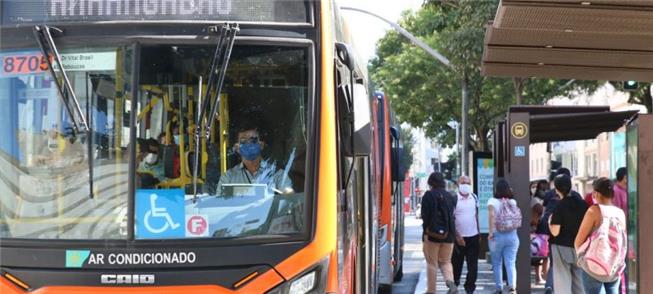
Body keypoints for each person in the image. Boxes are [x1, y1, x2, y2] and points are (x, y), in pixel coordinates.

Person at [575, 177, 627, 294]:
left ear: (596, 194)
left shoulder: (593, 211)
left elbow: (578, 241)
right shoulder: (620, 213)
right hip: (613, 266)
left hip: (593, 266)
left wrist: (581, 259)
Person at [216, 124, 293, 195]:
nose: (249, 144)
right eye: (244, 141)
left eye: (253, 140)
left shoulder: (278, 175)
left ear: (261, 145)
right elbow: (219, 205)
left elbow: (288, 196)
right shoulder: (228, 178)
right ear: (237, 148)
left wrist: (287, 193)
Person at [548, 174, 587, 294]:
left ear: (557, 189)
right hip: (580, 247)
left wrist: (550, 221)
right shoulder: (583, 204)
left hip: (561, 247)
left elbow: (555, 232)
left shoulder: (559, 205)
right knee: (579, 282)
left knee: (562, 282)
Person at [420, 172, 458, 294]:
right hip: (449, 235)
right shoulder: (450, 196)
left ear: (431, 182)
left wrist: (426, 230)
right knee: (446, 261)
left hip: (432, 235)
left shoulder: (428, 196)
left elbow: (425, 216)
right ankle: (450, 282)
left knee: (432, 263)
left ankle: (431, 291)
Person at [488, 179, 520, 294]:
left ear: (496, 189)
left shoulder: (492, 201)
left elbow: (492, 216)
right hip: (512, 236)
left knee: (497, 263)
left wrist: (491, 233)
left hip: (497, 235)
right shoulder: (512, 202)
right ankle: (512, 287)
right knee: (511, 262)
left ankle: (499, 288)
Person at [452, 175, 480, 294]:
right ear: (458, 184)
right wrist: (457, 236)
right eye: (463, 182)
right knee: (456, 265)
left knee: (473, 266)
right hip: (458, 238)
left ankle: (470, 288)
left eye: (468, 183)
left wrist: (478, 233)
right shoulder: (454, 198)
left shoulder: (474, 197)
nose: (466, 185)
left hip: (473, 236)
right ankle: (455, 284)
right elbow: (451, 219)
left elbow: (476, 215)